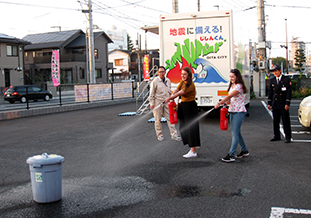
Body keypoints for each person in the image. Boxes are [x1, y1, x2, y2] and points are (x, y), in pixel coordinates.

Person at [163, 67, 201, 158]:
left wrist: (169, 98)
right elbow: (177, 89)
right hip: (183, 106)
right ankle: (193, 146)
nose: (183, 76)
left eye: (185, 74)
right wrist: (172, 94)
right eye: (182, 74)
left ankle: (193, 151)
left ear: (189, 75)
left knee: (190, 128)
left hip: (190, 107)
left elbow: (180, 93)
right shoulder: (183, 82)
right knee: (183, 127)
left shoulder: (190, 85)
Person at [214, 69, 249, 163]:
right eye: (230, 77)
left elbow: (230, 96)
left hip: (239, 111)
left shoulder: (239, 86)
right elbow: (230, 98)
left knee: (234, 134)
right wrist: (224, 102)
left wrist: (219, 103)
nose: (231, 78)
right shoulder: (233, 85)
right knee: (237, 132)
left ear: (237, 77)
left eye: (233, 76)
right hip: (232, 110)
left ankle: (231, 155)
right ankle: (244, 150)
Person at [149, 66, 181, 142]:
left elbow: (169, 93)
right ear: (157, 73)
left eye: (163, 72)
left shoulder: (168, 81)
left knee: (170, 118)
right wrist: (152, 103)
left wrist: (173, 102)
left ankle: (174, 135)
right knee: (157, 120)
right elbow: (152, 94)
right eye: (160, 72)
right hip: (158, 103)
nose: (161, 73)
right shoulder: (155, 81)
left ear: (165, 72)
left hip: (167, 102)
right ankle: (160, 135)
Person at [267, 64, 292, 143]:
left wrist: (287, 103)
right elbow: (270, 92)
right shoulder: (272, 80)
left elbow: (289, 92)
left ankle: (288, 136)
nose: (275, 73)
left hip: (283, 103)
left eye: (276, 71)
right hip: (275, 103)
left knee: (285, 120)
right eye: (274, 71)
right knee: (276, 120)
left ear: (280, 71)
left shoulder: (286, 80)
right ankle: (276, 135)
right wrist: (269, 103)